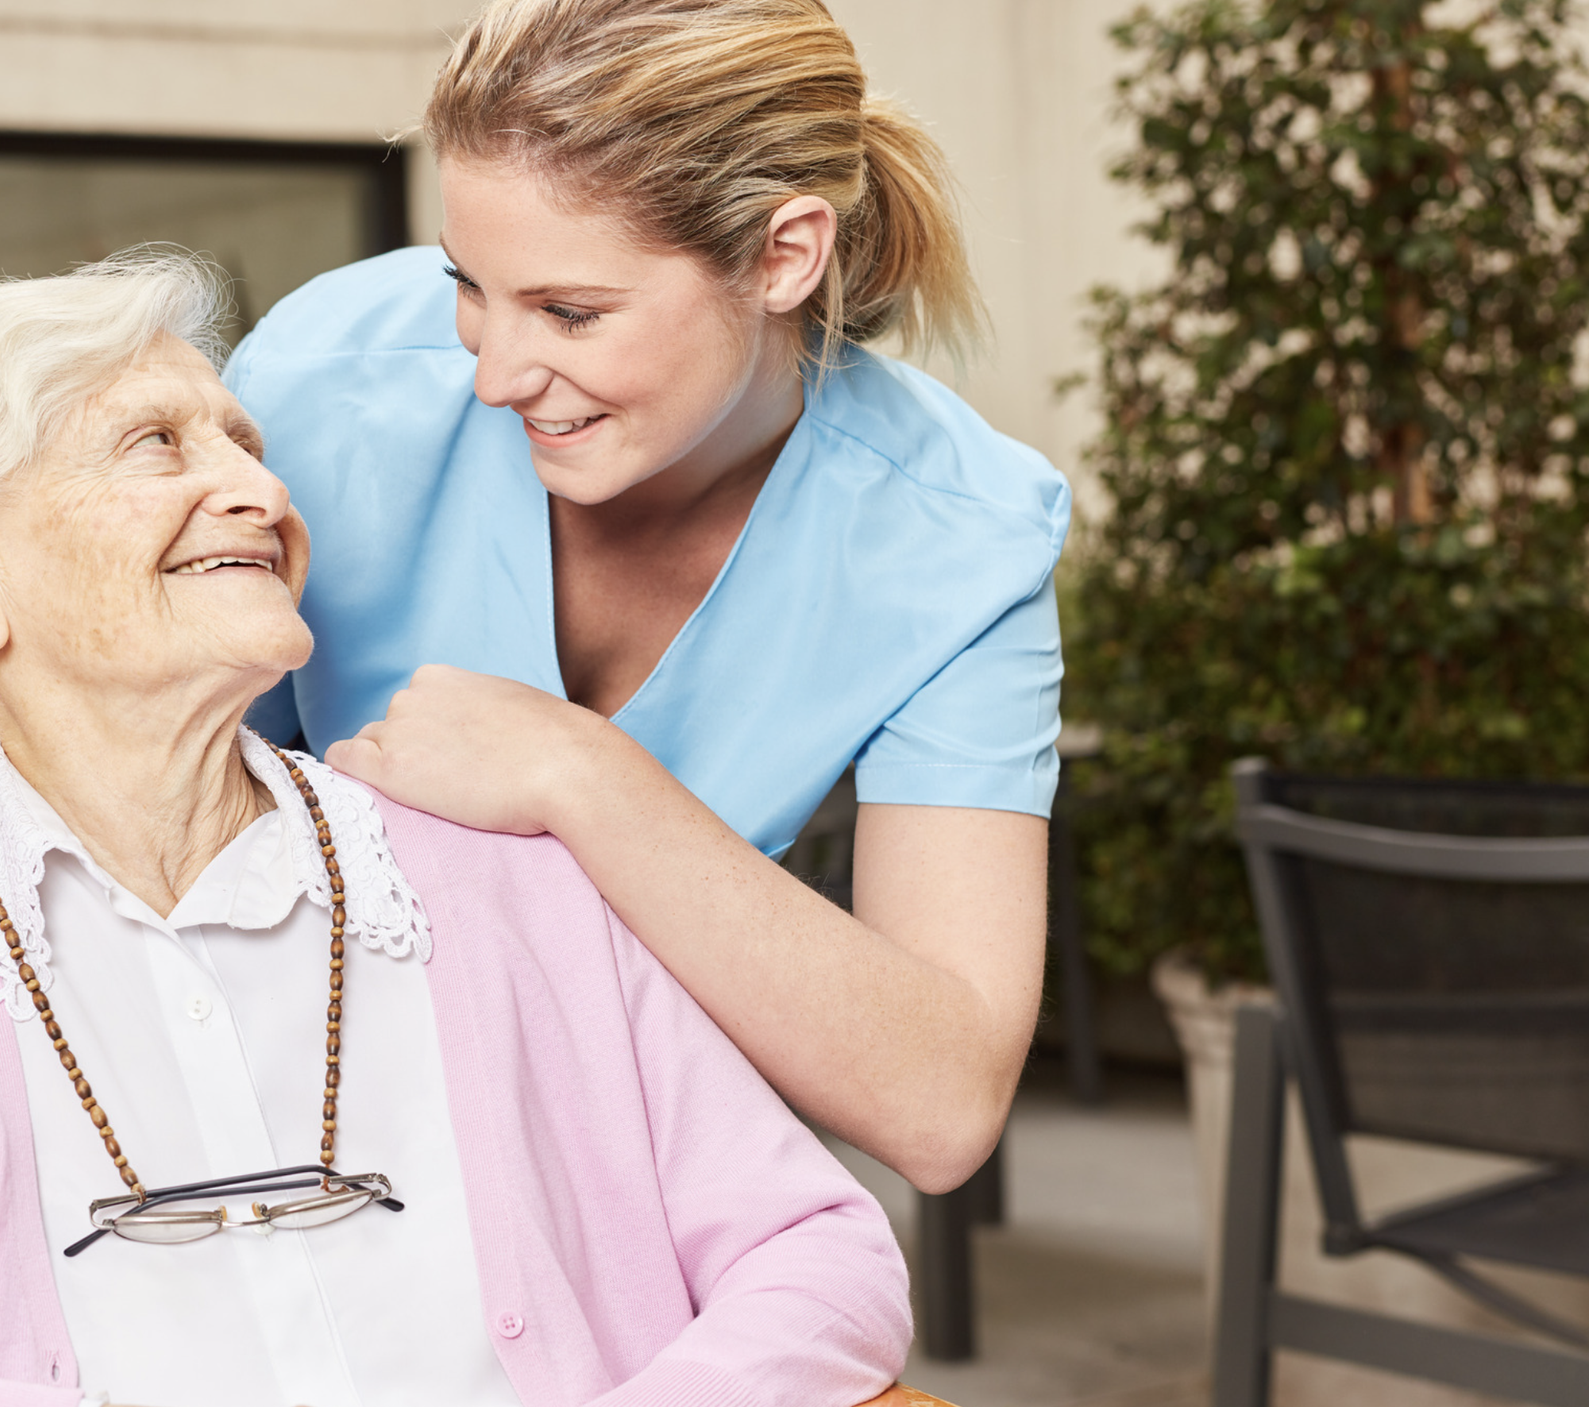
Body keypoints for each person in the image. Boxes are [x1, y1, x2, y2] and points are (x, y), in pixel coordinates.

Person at [0, 253, 910, 1407]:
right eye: (158, 444)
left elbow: (818, 1252)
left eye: (247, 446)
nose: (256, 493)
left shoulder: (498, 870)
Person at [224, 0, 1069, 1192]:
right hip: (270, 1119)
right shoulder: (322, 380)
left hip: (625, 1164)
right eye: (470, 284)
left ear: (785, 255)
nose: (497, 374)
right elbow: (144, 805)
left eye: (571, 312)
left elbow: (940, 1103)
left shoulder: (961, 541)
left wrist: (579, 776)